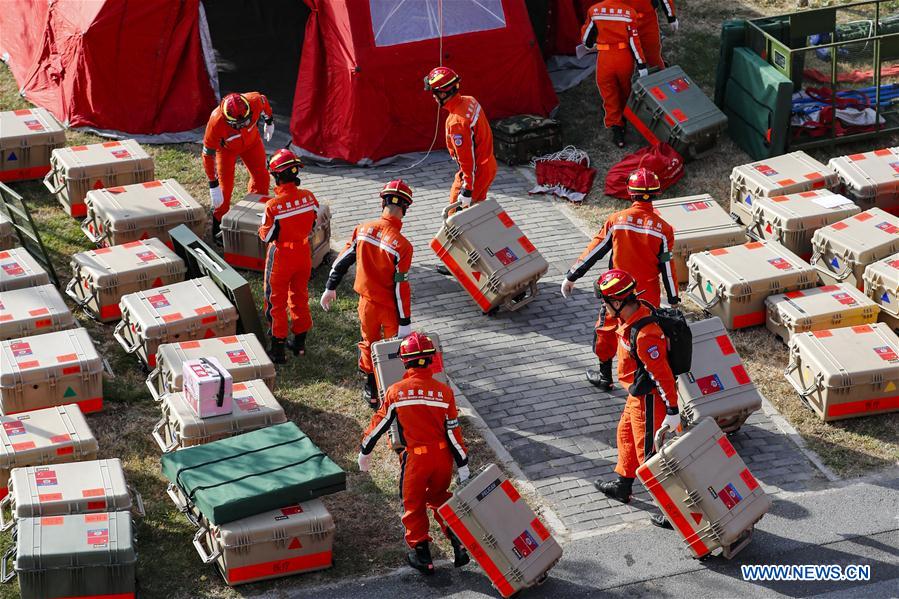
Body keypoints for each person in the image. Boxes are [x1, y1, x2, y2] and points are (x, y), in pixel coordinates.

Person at [357, 332, 471, 575]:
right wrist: (463, 464)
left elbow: (380, 423)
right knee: (440, 496)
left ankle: (422, 555)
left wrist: (365, 451)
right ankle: (459, 543)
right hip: (442, 458)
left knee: (414, 504)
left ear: (404, 361)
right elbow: (453, 432)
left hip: (416, 459)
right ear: (430, 360)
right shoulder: (444, 393)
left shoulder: (396, 392)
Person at [560, 167, 678, 391]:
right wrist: (673, 299)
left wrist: (572, 276)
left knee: (605, 332)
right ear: (655, 193)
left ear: (630, 193)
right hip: (647, 298)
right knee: (640, 337)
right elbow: (667, 267)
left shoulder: (616, 220)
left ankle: (605, 377)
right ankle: (639, 382)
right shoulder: (664, 230)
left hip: (615, 295)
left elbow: (595, 250)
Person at [591, 269, 680, 528]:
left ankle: (672, 510)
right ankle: (622, 486)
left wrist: (673, 411)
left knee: (650, 454)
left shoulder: (645, 335)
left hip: (650, 400)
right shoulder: (628, 319)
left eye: (605, 302)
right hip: (636, 396)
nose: (603, 306)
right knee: (625, 436)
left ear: (617, 303)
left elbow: (662, 375)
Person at [320, 180, 414, 406]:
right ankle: (392, 392)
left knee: (369, 344)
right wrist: (405, 321)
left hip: (366, 304)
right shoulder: (402, 245)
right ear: (405, 208)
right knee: (393, 350)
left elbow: (342, 260)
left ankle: (371, 390)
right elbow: (401, 287)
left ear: (383, 201)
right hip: (390, 307)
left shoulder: (362, 229)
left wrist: (330, 287)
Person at [258, 149, 318, 364]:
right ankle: (299, 344)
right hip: (303, 253)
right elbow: (313, 223)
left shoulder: (272, 206)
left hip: (281, 256)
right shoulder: (309, 197)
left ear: (277, 176)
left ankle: (278, 350)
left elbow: (266, 236)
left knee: (276, 301)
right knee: (300, 296)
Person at [202, 92, 275, 241]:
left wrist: (269, 120)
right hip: (226, 150)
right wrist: (212, 183)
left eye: (245, 121)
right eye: (237, 124)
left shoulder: (255, 100)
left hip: (252, 143)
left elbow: (265, 103)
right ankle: (219, 228)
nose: (242, 126)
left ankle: (252, 218)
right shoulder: (216, 121)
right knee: (224, 191)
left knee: (262, 178)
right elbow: (207, 154)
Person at [581, 1, 649, 148]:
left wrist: (591, 45)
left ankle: (617, 128)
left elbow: (586, 40)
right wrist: (641, 64)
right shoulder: (629, 12)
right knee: (626, 88)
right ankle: (627, 114)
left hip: (605, 58)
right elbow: (634, 41)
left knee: (608, 92)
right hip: (623, 57)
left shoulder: (594, 10)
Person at [623, 0, 678, 70]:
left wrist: (671, 16)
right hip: (623, 20)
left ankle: (660, 74)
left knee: (653, 53)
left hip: (648, 19)